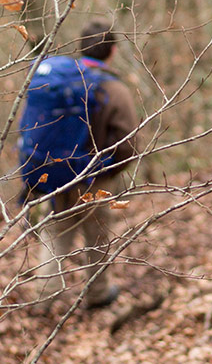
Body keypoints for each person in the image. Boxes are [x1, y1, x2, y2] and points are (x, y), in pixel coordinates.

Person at [17, 21, 139, 310]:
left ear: (82, 47)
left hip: (54, 176)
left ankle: (42, 301)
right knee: (96, 237)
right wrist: (106, 173)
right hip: (94, 180)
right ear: (113, 51)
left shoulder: (61, 83)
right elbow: (128, 144)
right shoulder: (113, 88)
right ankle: (97, 295)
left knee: (55, 234)